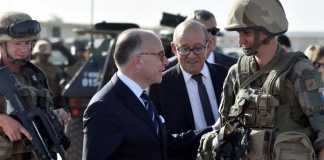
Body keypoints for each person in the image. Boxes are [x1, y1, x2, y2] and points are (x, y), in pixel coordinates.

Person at [197, 0, 324, 160]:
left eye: (246, 33)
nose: (240, 41)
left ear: (267, 30)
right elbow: (224, 126)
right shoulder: (237, 72)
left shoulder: (299, 70)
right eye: (239, 33)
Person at [82, 28, 212, 160]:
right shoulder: (103, 107)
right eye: (160, 55)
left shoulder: (141, 97)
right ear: (138, 60)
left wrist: (214, 129)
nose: (166, 61)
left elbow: (166, 143)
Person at [149, 20, 228, 160]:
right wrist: (212, 130)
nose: (191, 55)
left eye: (197, 48)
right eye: (184, 49)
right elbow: (163, 139)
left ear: (208, 46)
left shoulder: (226, 76)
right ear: (174, 48)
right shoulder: (160, 85)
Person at [0, 11, 65, 159]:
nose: (24, 49)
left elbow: (41, 109)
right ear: (2, 43)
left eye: (28, 43)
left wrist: (56, 115)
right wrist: (2, 119)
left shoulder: (35, 74)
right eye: (17, 43)